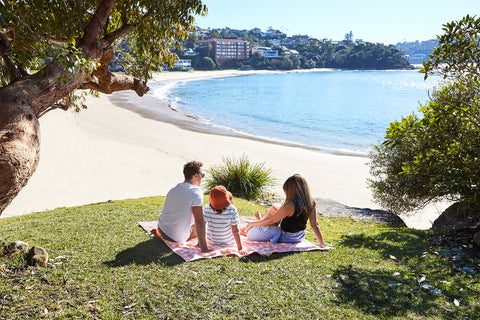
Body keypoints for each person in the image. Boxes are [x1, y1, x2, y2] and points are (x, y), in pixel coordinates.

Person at [245, 174, 326, 247]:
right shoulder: (311, 202)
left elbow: (271, 221)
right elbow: (314, 225)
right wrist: (322, 244)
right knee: (274, 208)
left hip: (286, 237)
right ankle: (261, 221)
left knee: (266, 224)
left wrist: (252, 224)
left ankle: (258, 223)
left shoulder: (290, 205)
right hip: (299, 237)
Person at [157, 161, 209, 252]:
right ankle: (200, 243)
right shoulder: (196, 192)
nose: (202, 178)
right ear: (196, 176)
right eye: (202, 175)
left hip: (161, 229)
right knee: (205, 218)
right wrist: (204, 248)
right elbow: (199, 221)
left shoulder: (174, 189)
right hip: (175, 237)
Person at [203, 185, 247, 255]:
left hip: (212, 241)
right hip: (229, 242)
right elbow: (235, 230)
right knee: (239, 229)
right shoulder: (232, 209)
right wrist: (240, 248)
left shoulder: (207, 208)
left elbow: (202, 225)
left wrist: (200, 243)